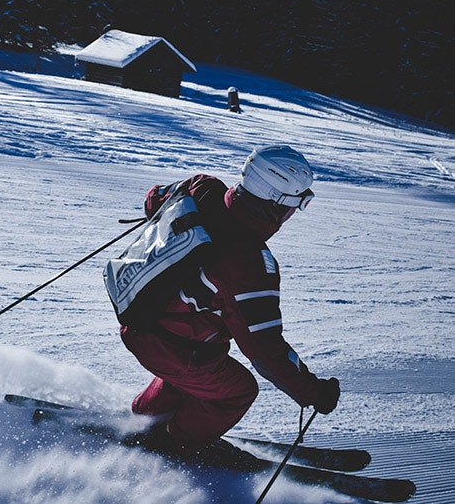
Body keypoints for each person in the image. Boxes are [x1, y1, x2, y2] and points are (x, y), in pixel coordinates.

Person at [119, 144, 340, 459]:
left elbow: (153, 198)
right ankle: (175, 444)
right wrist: (314, 392)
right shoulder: (250, 265)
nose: (295, 213)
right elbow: (265, 352)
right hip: (172, 347)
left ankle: (145, 419)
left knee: (204, 366)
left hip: (136, 318)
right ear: (277, 204)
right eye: (299, 204)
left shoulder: (202, 187)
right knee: (237, 390)